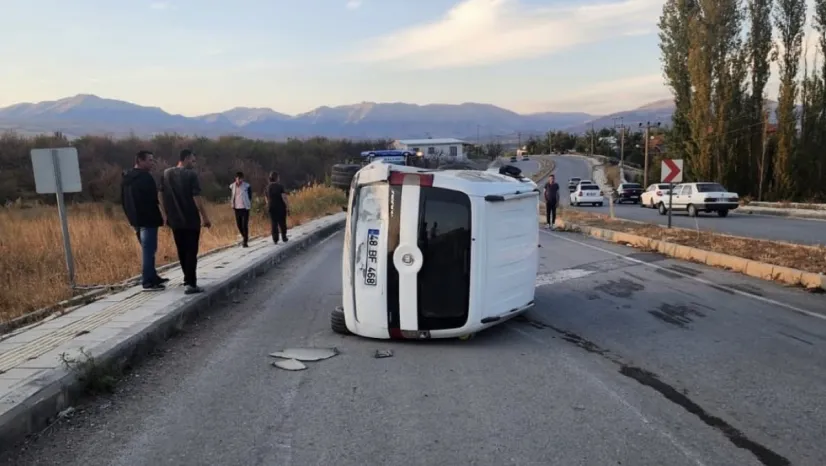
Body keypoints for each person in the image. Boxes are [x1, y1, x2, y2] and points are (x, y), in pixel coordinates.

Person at [159, 149, 212, 294]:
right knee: (191, 251)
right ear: (186, 158)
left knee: (181, 250)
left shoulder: (166, 173)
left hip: (174, 219)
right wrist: (205, 217)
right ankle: (191, 283)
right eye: (193, 160)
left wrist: (165, 214)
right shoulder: (191, 175)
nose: (194, 163)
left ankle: (186, 279)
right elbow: (196, 197)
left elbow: (160, 194)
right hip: (190, 218)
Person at [121, 150, 168, 291]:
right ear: (140, 161)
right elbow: (154, 199)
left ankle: (153, 275)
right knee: (149, 250)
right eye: (149, 160)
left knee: (148, 249)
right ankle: (148, 281)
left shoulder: (126, 178)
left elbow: (123, 200)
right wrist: (163, 215)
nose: (152, 163)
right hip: (148, 219)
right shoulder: (145, 178)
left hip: (135, 219)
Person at [229, 171, 252, 247]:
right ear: (235, 179)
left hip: (245, 208)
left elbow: (250, 196)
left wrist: (247, 202)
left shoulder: (247, 186)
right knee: (239, 225)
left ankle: (245, 241)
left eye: (241, 179)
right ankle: (244, 236)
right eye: (238, 179)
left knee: (244, 225)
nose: (240, 180)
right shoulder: (232, 186)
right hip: (237, 208)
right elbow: (232, 196)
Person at [265, 171, 289, 244]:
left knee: (273, 223)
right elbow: (284, 197)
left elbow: (266, 198)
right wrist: (287, 206)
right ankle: (284, 236)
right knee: (282, 222)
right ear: (276, 178)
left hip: (271, 207)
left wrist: (268, 205)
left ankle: (275, 239)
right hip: (280, 207)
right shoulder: (280, 186)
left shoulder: (267, 187)